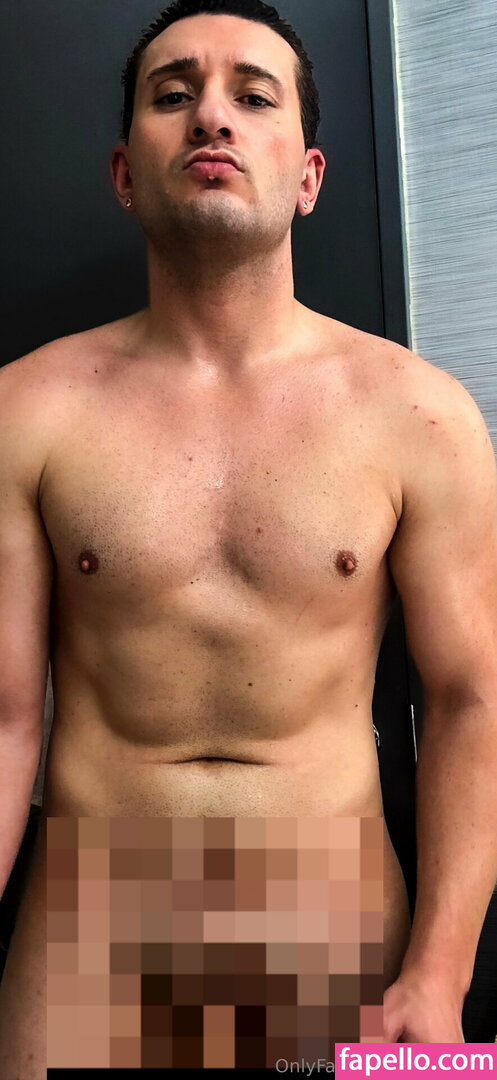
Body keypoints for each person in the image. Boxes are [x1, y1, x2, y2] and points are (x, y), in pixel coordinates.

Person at [0, 0, 496, 1071]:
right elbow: (2, 722)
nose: (210, 117)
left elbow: (471, 701)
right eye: (173, 94)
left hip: (346, 943)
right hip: (90, 946)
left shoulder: (422, 416)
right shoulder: (23, 411)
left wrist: (440, 976)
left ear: (308, 177)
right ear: (125, 173)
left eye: (252, 95)